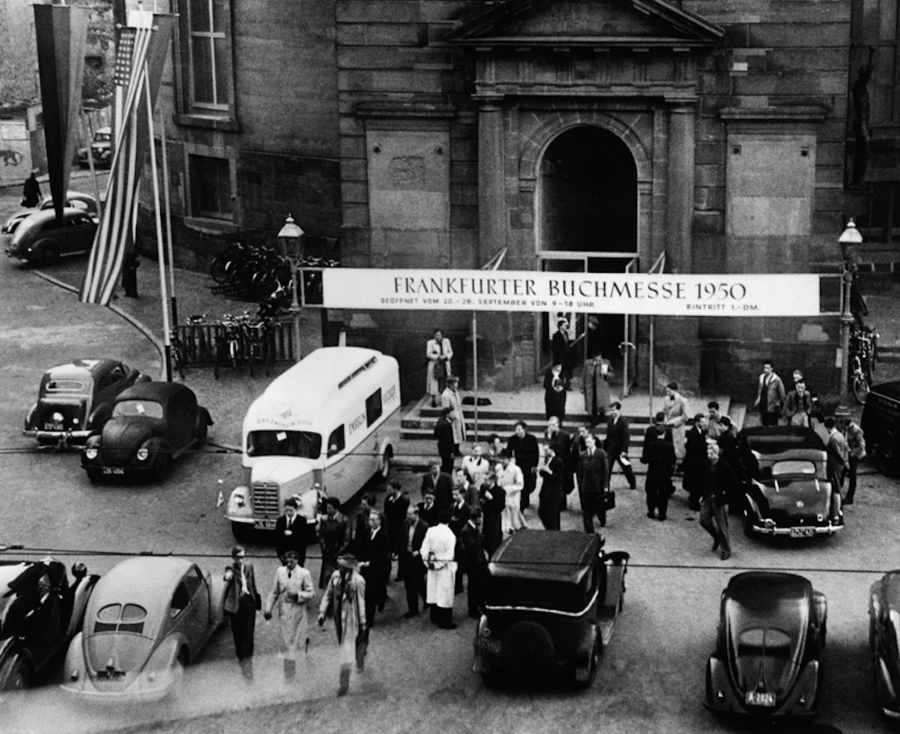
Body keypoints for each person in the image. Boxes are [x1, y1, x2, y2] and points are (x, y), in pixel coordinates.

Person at [317, 552, 367, 696]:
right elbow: (328, 594)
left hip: (352, 619)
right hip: (340, 617)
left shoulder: (358, 581)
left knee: (346, 650)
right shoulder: (335, 577)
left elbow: (361, 602)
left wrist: (363, 622)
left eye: (343, 566)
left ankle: (344, 684)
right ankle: (360, 654)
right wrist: (322, 612)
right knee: (345, 645)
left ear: (349, 568)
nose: (339, 567)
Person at [264, 549, 315, 681]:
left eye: (292, 561)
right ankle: (289, 676)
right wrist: (268, 608)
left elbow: (311, 593)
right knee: (286, 646)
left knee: (296, 645)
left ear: (297, 561)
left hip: (298, 614)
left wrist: (298, 595)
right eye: (287, 560)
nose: (289, 563)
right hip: (285, 614)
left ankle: (298, 675)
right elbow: (274, 591)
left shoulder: (304, 574)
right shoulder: (280, 572)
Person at [223, 545, 261, 682]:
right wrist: (227, 576)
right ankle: (241, 656)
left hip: (249, 603)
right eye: (238, 557)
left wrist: (256, 598)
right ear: (234, 558)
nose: (241, 560)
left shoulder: (249, 567)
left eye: (243, 557)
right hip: (237, 605)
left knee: (248, 634)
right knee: (238, 634)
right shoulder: (231, 568)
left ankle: (248, 663)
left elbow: (253, 583)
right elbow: (228, 574)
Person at [420, 510, 458, 630]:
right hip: (445, 568)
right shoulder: (450, 535)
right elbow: (450, 555)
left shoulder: (431, 531)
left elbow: (424, 549)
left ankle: (434, 616)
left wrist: (430, 562)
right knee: (445, 594)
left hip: (432, 567)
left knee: (434, 591)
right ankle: (445, 621)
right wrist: (439, 563)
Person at [355, 509, 391, 628]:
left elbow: (383, 554)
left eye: (373, 519)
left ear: (379, 521)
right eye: (370, 519)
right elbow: (360, 546)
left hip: (377, 568)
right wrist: (360, 559)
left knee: (374, 592)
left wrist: (370, 562)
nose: (371, 522)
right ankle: (367, 616)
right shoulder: (366, 532)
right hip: (365, 568)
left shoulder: (384, 535)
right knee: (367, 593)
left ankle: (373, 612)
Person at [700, 443, 734, 561]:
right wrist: (703, 494)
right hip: (708, 497)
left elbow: (733, 482)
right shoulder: (707, 464)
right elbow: (704, 480)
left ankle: (726, 550)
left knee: (722, 525)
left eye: (711, 453)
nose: (709, 455)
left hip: (719, 499)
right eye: (708, 453)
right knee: (703, 520)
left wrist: (726, 496)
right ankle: (717, 537)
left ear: (717, 453)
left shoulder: (725, 466)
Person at [395, 503, 428, 618]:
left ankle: (426, 598)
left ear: (416, 514)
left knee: (419, 583)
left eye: (410, 514)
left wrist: (419, 551)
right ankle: (413, 609)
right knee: (408, 584)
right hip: (407, 557)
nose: (408, 516)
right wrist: (396, 551)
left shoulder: (424, 526)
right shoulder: (406, 524)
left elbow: (427, 544)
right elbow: (401, 537)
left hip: (417, 559)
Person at [851, 45, 876, 187]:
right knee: (864, 152)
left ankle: (858, 180)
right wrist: (872, 54)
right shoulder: (860, 86)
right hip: (861, 123)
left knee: (863, 152)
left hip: (864, 123)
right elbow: (869, 70)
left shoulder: (861, 88)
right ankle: (857, 180)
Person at [459, 508, 488, 619]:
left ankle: (481, 606)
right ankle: (473, 610)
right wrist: (480, 534)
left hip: (479, 562)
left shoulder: (473, 528)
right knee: (473, 587)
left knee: (480, 586)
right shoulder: (466, 531)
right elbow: (474, 546)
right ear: (477, 518)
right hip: (472, 563)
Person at [642, 428, 676, 521]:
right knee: (663, 494)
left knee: (651, 492)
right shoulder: (669, 445)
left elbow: (645, 459)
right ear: (664, 433)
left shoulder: (651, 444)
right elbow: (673, 459)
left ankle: (651, 511)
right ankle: (662, 514)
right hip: (664, 474)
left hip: (653, 472)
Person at [578, 433, 609, 532]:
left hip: (598, 485)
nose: (587, 444)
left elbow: (605, 471)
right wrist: (580, 484)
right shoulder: (582, 455)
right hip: (586, 486)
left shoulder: (601, 454)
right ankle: (589, 529)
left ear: (594, 442)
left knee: (599, 506)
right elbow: (580, 471)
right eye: (586, 442)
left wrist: (605, 485)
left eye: (589, 442)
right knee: (587, 509)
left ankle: (602, 519)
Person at [507, 421, 539, 512]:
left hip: (528, 465)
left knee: (527, 484)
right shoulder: (513, 439)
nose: (517, 432)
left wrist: (534, 465)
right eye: (516, 430)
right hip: (518, 464)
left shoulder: (531, 439)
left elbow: (536, 453)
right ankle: (521, 504)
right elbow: (509, 451)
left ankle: (525, 502)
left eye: (519, 430)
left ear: (524, 430)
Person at [604, 401, 636, 490]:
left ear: (619, 410)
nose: (612, 412)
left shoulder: (623, 421)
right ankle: (606, 486)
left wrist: (624, 450)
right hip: (610, 449)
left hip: (620, 449)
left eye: (614, 410)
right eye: (611, 410)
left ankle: (632, 482)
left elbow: (626, 436)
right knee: (607, 469)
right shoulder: (610, 420)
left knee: (626, 468)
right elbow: (608, 435)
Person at [318, 497, 349, 589]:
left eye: (329, 508)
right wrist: (323, 546)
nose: (327, 510)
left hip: (338, 552)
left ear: (336, 508)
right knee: (327, 577)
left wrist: (339, 551)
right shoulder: (324, 519)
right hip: (327, 551)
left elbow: (347, 539)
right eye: (327, 508)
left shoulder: (344, 520)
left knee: (338, 578)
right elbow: (321, 534)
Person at [682, 414, 709, 511]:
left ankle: (694, 499)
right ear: (697, 422)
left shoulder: (699, 431)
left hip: (697, 462)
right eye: (702, 421)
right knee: (696, 484)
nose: (704, 423)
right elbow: (693, 448)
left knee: (696, 483)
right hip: (695, 463)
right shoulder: (693, 433)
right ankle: (693, 503)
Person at [546, 416, 576, 500]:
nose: (551, 427)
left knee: (562, 483)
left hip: (562, 461)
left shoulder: (565, 435)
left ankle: (562, 503)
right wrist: (549, 436)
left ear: (558, 424)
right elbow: (547, 447)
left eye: (553, 424)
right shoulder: (548, 433)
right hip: (552, 460)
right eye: (550, 425)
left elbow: (567, 449)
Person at [497, 451, 526, 536]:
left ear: (509, 459)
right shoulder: (499, 468)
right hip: (502, 497)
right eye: (500, 458)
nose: (501, 461)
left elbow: (520, 485)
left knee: (514, 518)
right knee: (505, 518)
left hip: (513, 497)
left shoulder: (516, 469)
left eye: (504, 459)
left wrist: (508, 489)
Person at [537, 444, 564, 530]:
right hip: (545, 491)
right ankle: (549, 528)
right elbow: (543, 475)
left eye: (546, 450)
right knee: (542, 512)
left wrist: (549, 471)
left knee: (553, 515)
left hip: (554, 492)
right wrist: (541, 470)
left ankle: (554, 531)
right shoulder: (547, 459)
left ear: (552, 450)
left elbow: (559, 477)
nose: (544, 452)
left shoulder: (558, 461)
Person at [478, 471, 506, 556]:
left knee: (493, 540)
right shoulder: (483, 488)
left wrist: (491, 499)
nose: (484, 482)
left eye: (486, 480)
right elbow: (481, 499)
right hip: (485, 516)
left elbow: (500, 507)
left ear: (492, 480)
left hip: (494, 519)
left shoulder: (500, 491)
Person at [383, 480, 410, 567]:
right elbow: (385, 513)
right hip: (389, 529)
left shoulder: (404, 502)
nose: (388, 491)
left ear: (396, 490)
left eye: (390, 489)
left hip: (399, 530)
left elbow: (404, 518)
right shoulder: (388, 499)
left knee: (399, 551)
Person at [275, 497, 307, 567]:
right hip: (284, 556)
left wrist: (292, 534)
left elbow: (303, 539)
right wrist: (280, 554)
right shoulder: (280, 521)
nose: (288, 513)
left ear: (296, 510)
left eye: (291, 510)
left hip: (297, 556)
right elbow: (277, 539)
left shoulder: (302, 521)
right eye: (286, 510)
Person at [754, 359, 786, 427]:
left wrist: (781, 405)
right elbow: (760, 389)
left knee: (772, 423)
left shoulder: (777, 379)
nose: (765, 370)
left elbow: (782, 393)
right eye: (765, 368)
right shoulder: (762, 378)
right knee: (764, 422)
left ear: (772, 369)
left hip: (773, 405)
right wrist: (759, 398)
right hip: (763, 404)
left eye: (768, 368)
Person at [843, 415, 866, 505]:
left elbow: (861, 446)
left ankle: (850, 497)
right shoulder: (846, 430)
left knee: (852, 476)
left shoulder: (857, 431)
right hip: (848, 453)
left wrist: (851, 454)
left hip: (855, 455)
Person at [824, 416, 849, 500]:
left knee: (836, 486)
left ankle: (838, 505)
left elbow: (838, 453)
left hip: (835, 465)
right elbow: (845, 448)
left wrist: (844, 461)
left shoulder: (833, 439)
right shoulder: (840, 435)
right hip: (839, 466)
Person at [426, 328, 453, 406]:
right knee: (434, 382)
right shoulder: (430, 343)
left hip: (444, 364)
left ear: (442, 335)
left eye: (439, 335)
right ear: (434, 336)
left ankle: (444, 399)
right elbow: (428, 354)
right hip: (435, 364)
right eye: (436, 335)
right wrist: (438, 357)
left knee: (445, 381)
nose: (438, 337)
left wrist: (446, 357)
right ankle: (433, 400)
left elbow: (450, 351)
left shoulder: (447, 341)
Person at [583, 353, 611, 426]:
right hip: (591, 386)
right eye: (595, 356)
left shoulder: (605, 363)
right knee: (592, 404)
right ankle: (594, 419)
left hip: (601, 386)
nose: (597, 358)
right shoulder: (588, 363)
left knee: (601, 403)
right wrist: (582, 386)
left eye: (598, 356)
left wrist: (606, 374)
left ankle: (602, 416)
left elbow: (611, 374)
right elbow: (584, 375)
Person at [441, 375, 466, 455]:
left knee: (458, 434)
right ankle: (453, 450)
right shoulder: (446, 395)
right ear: (450, 384)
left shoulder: (455, 392)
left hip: (458, 414)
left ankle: (457, 449)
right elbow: (446, 408)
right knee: (454, 434)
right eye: (455, 383)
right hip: (452, 416)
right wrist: (451, 416)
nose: (456, 384)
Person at [663, 382, 688, 460]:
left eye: (669, 391)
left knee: (678, 445)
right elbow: (665, 410)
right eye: (667, 391)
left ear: (675, 391)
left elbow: (685, 416)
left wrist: (674, 422)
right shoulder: (666, 399)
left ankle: (679, 462)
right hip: (668, 426)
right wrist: (665, 419)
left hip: (678, 426)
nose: (667, 393)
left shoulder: (682, 401)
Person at [551, 317, 573, 387]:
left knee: (567, 370)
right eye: (564, 325)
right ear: (560, 326)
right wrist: (560, 354)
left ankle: (567, 384)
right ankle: (559, 385)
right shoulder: (556, 335)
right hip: (560, 357)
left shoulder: (566, 334)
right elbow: (554, 347)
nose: (566, 327)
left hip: (567, 356)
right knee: (560, 372)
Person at [434, 406, 455, 475]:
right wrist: (451, 451)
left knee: (445, 463)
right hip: (446, 449)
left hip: (441, 446)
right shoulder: (446, 425)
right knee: (448, 465)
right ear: (447, 414)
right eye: (452, 413)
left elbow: (436, 434)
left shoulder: (440, 421)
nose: (454, 414)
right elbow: (448, 440)